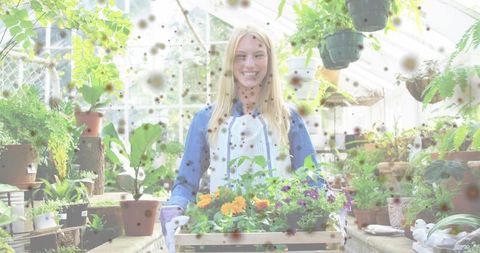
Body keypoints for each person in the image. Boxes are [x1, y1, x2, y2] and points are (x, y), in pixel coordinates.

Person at [160, 25, 326, 236]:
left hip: (280, 234)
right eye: (241, 56)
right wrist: (175, 208)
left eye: (258, 55)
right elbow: (186, 182)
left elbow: (312, 177)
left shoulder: (288, 118)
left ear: (269, 61)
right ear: (230, 62)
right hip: (224, 235)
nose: (249, 64)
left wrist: (327, 205)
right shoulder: (206, 119)